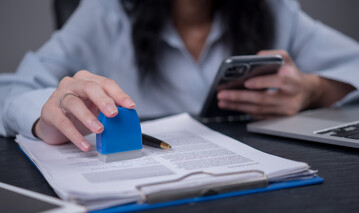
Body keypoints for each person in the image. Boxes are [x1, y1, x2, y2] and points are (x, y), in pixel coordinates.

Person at [0, 0, 358, 152]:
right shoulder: (106, 13)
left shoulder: (277, 11)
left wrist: (313, 89)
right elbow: (10, 89)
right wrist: (45, 116)